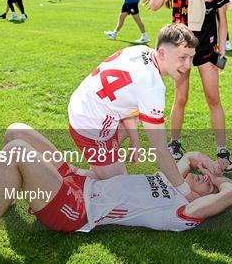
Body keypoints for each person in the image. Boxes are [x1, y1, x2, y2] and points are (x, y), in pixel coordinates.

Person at [0, 123, 232, 264]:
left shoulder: (181, 214)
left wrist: (218, 181)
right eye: (202, 176)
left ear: (204, 201)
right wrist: (211, 166)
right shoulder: (175, 182)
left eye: (206, 184)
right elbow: (193, 156)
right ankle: (1, 195)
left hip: (76, 210)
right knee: (16, 131)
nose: (201, 177)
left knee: (16, 151)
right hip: (79, 181)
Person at [69, 23, 205, 201]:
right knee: (123, 192)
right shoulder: (152, 87)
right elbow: (160, 151)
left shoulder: (141, 50)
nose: (188, 65)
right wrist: (187, 192)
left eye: (191, 58)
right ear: (162, 53)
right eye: (182, 58)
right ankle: (63, 175)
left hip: (85, 105)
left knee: (110, 172)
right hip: (90, 125)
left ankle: (95, 168)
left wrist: (134, 139)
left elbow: (126, 100)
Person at [142, 0, 232, 173]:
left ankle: (222, 150)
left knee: (213, 98)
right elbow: (153, 6)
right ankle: (175, 144)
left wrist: (222, 52)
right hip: (180, 51)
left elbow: (222, 21)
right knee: (180, 98)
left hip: (207, 49)